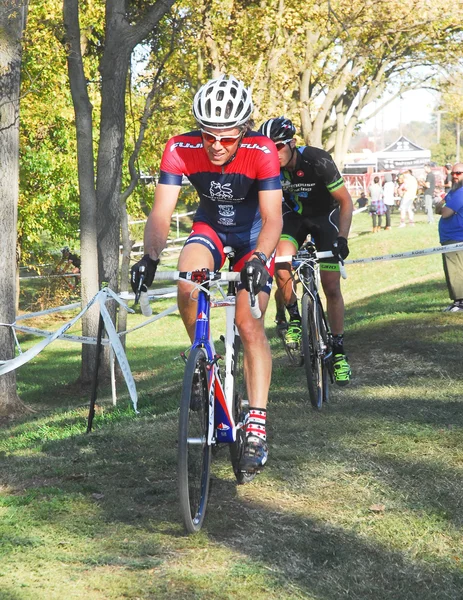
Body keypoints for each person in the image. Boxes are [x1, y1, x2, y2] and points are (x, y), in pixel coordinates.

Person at [130, 75, 283, 472]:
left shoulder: (262, 149)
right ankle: (202, 359)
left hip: (253, 240)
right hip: (210, 230)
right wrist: (149, 256)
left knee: (249, 322)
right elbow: (161, 213)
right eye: (208, 135)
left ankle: (257, 426)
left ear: (244, 130)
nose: (216, 145)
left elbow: (272, 218)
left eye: (227, 138)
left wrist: (257, 260)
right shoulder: (179, 147)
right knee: (186, 283)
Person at [258, 116, 353, 386]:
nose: (272, 153)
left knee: (331, 286)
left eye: (277, 147)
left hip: (326, 219)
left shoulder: (317, 160)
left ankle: (339, 352)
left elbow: (345, 201)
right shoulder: (267, 169)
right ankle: (296, 318)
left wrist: (342, 238)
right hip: (294, 219)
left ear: (292, 143)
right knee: (281, 262)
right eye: (267, 147)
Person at [436, 163, 463, 312]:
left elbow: (445, 212)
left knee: (456, 270)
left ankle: (460, 303)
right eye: (453, 173)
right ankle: (458, 301)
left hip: (457, 236)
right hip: (448, 237)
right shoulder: (453, 191)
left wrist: (444, 207)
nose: (455, 176)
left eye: (459, 173)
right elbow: (438, 207)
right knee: (452, 270)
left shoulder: (461, 192)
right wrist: (443, 207)